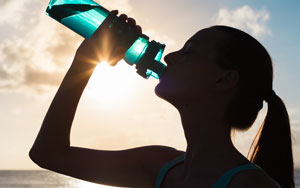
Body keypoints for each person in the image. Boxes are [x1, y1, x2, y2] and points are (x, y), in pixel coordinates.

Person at [29, 10, 294, 188]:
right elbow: (48, 154)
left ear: (223, 80)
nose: (168, 57)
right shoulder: (159, 165)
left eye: (188, 52)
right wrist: (84, 62)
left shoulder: (251, 186)